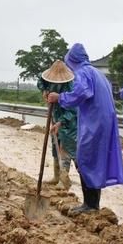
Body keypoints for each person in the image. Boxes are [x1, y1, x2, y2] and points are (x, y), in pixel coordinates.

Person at [47, 43, 123, 215]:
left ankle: (89, 204)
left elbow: (81, 93)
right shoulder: (98, 73)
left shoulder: (83, 73)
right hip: (104, 121)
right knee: (94, 162)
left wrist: (59, 97)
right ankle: (93, 203)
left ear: (72, 61)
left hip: (94, 122)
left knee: (84, 160)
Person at [38, 60, 77, 189]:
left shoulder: (70, 86)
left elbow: (73, 109)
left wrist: (61, 122)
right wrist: (44, 90)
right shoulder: (47, 80)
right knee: (55, 145)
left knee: (64, 148)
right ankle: (56, 176)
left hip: (68, 122)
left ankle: (64, 180)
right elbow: (40, 81)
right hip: (55, 115)